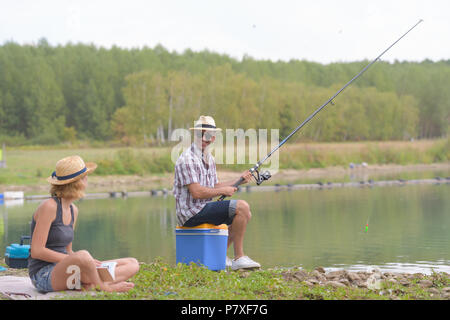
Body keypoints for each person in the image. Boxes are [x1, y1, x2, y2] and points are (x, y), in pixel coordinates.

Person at [28, 155, 139, 293]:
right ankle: (103, 287)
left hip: (70, 270)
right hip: (44, 274)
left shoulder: (74, 210)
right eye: (85, 176)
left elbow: (68, 250)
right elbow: (37, 251)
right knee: (84, 256)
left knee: (132, 263)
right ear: (77, 182)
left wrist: (88, 263)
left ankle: (90, 283)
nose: (87, 180)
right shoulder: (49, 207)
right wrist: (81, 259)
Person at [173, 115, 261, 270]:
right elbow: (197, 192)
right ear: (196, 135)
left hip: (202, 208)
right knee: (242, 207)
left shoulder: (209, 158)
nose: (205, 139)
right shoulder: (187, 159)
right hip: (190, 213)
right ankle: (239, 258)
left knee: (245, 214)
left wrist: (238, 180)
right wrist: (223, 191)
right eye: (201, 134)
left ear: (213, 138)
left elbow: (214, 185)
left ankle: (220, 255)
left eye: (208, 136)